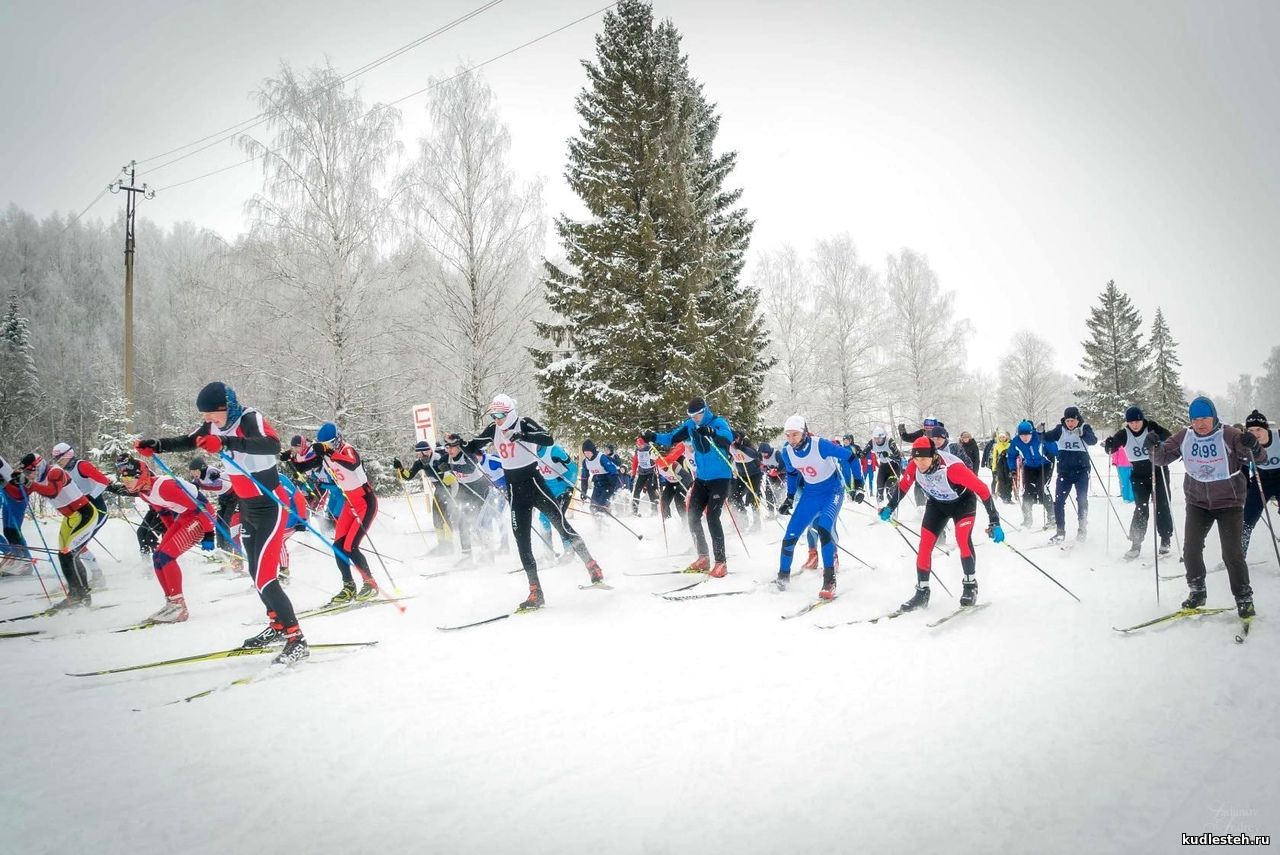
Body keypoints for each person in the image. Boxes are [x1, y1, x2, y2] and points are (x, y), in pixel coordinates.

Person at [135, 381, 308, 665]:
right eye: (205, 417)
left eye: (211, 415)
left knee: (265, 578)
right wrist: (158, 445)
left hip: (270, 507)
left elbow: (271, 445)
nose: (207, 422)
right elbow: (189, 440)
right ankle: (277, 627)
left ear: (226, 407)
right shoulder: (214, 426)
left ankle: (296, 639)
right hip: (247, 507)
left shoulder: (249, 418)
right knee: (256, 574)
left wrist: (226, 442)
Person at [463, 394, 604, 610]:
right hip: (514, 491)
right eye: (494, 415)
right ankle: (535, 591)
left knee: (562, 525)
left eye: (500, 415)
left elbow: (547, 438)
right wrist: (459, 444)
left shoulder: (523, 422)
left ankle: (592, 565)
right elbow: (473, 446)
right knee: (522, 541)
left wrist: (523, 435)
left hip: (534, 485)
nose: (497, 419)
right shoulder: (494, 429)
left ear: (509, 413)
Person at [1150, 396, 1263, 618]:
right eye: (1196, 419)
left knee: (1232, 553)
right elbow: (1161, 458)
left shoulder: (1229, 434)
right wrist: (1153, 447)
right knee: (1190, 549)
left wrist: (1254, 446)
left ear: (1214, 417)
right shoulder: (1185, 436)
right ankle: (1197, 591)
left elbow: (1256, 458)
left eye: (1205, 418)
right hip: (1197, 503)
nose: (1200, 423)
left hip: (1229, 503)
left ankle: (1244, 597)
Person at [880, 437, 1003, 611]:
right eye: (916, 459)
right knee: (925, 545)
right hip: (937, 504)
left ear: (933, 455)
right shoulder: (914, 466)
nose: (919, 463)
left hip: (963, 504)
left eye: (923, 459)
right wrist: (889, 507)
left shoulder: (953, 469)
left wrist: (995, 521)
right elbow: (904, 486)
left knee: (962, 539)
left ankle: (970, 586)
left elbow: (982, 490)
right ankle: (922, 592)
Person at [112, 457, 214, 623]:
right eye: (123, 479)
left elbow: (201, 506)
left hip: (201, 517)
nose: (126, 482)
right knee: (158, 557)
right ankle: (171, 602)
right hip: (185, 517)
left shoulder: (164, 486)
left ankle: (179, 606)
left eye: (130, 478)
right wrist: (170, 532)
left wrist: (209, 533)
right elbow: (164, 512)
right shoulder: (144, 492)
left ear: (142, 476)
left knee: (167, 556)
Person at [774, 415, 864, 599]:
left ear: (804, 432)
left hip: (833, 491)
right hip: (810, 494)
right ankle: (782, 577)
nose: (792, 440)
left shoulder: (820, 444)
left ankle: (829, 581)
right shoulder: (787, 452)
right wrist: (789, 498)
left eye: (796, 435)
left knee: (824, 530)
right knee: (790, 535)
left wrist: (859, 485)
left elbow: (852, 458)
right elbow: (791, 474)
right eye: (788, 435)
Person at [646, 397, 736, 577]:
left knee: (712, 517)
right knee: (692, 516)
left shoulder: (717, 422)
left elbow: (728, 438)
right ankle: (703, 557)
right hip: (702, 479)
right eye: (692, 416)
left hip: (721, 479)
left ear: (705, 411)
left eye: (698, 415)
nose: (695, 419)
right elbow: (672, 437)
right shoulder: (690, 425)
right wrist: (653, 436)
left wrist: (711, 432)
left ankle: (721, 562)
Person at [292, 422, 379, 605]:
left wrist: (329, 452)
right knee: (338, 547)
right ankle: (348, 586)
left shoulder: (347, 449)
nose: (329, 447)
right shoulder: (326, 455)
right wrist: (290, 459)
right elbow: (303, 468)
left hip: (365, 502)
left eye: (331, 443)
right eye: (326, 444)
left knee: (350, 547)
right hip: (350, 502)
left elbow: (353, 464)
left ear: (338, 439)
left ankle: (370, 584)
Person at [19, 452, 100, 608]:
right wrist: (11, 481)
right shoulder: (39, 479)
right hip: (70, 518)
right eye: (27, 473)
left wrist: (28, 483)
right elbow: (20, 494)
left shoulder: (55, 471)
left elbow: (52, 491)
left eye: (30, 471)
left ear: (38, 465)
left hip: (85, 514)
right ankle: (78, 594)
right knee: (65, 554)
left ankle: (79, 595)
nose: (30, 475)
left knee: (68, 554)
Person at [1103, 406, 1173, 559]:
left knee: (1162, 505)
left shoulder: (1151, 428)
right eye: (1131, 422)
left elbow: (1170, 439)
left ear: (1142, 420)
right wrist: (1109, 444)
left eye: (1138, 421)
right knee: (1141, 508)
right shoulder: (1124, 434)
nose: (1135, 425)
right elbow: (1111, 448)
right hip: (1138, 475)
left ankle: (1165, 539)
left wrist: (1159, 434)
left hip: (1158, 471)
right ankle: (1136, 544)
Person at [49, 443, 109, 588]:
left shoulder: (82, 465)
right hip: (81, 513)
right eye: (55, 458)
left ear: (68, 455)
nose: (57, 461)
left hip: (97, 511)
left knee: (77, 545)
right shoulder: (61, 470)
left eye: (59, 458)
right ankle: (82, 578)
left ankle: (95, 576)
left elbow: (104, 481)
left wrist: (90, 497)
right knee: (74, 545)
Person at [1042, 406, 1098, 543]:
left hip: (1081, 472)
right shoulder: (1060, 429)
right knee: (1059, 502)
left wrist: (1083, 434)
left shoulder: (1084, 427)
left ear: (1077, 419)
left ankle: (1082, 530)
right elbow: (1047, 437)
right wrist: (1040, 432)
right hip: (1064, 473)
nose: (1070, 424)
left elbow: (1093, 440)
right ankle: (1060, 532)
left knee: (1082, 500)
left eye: (1072, 420)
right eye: (1067, 421)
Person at [394, 440, 455, 556]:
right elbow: (408, 476)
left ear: (430, 451)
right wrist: (400, 468)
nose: (422, 457)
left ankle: (450, 545)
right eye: (419, 455)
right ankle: (442, 544)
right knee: (436, 517)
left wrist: (445, 470)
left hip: (450, 487)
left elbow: (452, 476)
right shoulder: (420, 463)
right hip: (439, 489)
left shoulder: (439, 458)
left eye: (424, 453)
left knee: (446, 516)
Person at [1241, 410, 1280, 560]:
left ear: (1267, 429)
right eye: (1251, 430)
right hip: (1260, 480)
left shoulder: (1278, 436)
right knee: (1247, 520)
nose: (1255, 433)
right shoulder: (1247, 444)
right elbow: (1243, 466)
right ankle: (1239, 556)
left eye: (1259, 429)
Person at [1006, 420, 1056, 529]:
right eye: (1022, 435)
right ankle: (1027, 519)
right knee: (1027, 491)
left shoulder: (1038, 437)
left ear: (1031, 432)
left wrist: (1044, 437)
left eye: (1027, 435)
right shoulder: (1016, 441)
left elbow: (1054, 448)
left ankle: (1052, 517)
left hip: (1045, 464)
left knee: (1042, 488)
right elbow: (1010, 456)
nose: (1024, 438)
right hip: (1029, 466)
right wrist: (1013, 469)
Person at [0, 456, 33, 573]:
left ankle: (26, 562)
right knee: (8, 531)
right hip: (6, 494)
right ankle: (17, 558)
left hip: (16, 496)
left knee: (13, 531)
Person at [579, 439, 621, 521]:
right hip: (597, 484)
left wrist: (613, 487)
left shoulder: (601, 457)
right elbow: (584, 478)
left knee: (601, 506)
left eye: (589, 452)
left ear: (593, 451)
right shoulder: (585, 462)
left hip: (608, 483)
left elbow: (613, 472)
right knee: (593, 507)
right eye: (585, 453)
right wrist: (584, 492)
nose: (587, 455)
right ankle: (598, 526)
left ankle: (605, 524)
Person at [865, 427, 901, 504]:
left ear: (884, 437)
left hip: (894, 467)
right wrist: (860, 454)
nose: (877, 440)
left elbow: (898, 457)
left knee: (889, 489)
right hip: (883, 467)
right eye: (875, 438)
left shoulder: (890, 442)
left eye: (879, 438)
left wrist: (889, 455)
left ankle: (892, 508)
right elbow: (864, 452)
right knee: (879, 490)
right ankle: (880, 508)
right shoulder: (872, 442)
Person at [630, 436, 660, 516]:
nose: (639, 446)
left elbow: (657, 459)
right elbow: (635, 462)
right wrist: (633, 474)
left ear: (644, 444)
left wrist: (658, 470)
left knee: (650, 490)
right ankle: (634, 510)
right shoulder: (637, 451)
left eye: (641, 445)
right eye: (638, 445)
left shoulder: (650, 449)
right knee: (636, 491)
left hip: (651, 472)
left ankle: (654, 511)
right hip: (642, 473)